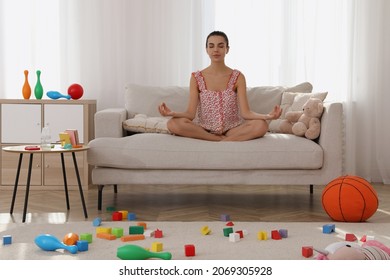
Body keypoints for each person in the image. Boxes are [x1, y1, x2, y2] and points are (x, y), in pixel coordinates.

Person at [158, 31, 282, 141]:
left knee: (261, 125)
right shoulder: (196, 77)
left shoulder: (238, 77)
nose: (215, 50)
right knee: (173, 124)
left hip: (232, 129)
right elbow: (190, 114)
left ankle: (224, 140)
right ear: (206, 49)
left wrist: (267, 116)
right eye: (211, 46)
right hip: (204, 128)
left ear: (227, 49)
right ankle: (213, 138)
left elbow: (246, 113)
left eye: (220, 46)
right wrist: (171, 113)